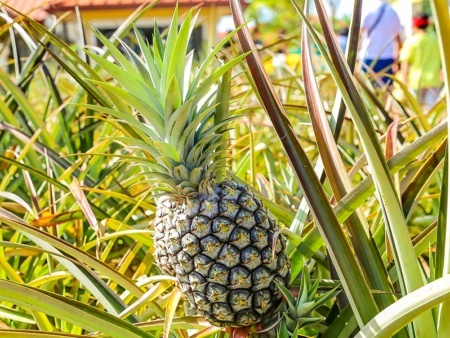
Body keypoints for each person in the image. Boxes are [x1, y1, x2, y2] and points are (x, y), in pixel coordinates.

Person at [399, 13, 442, 109]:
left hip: (415, 80)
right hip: (434, 79)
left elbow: (405, 62)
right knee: (431, 110)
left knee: (416, 110)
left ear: (414, 26)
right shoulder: (435, 40)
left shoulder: (411, 42)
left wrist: (404, 81)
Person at [359, 0, 403, 86]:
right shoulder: (393, 12)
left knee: (367, 90)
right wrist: (397, 61)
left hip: (368, 57)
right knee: (386, 90)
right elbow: (398, 40)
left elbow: (358, 35)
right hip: (388, 58)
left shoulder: (368, 9)